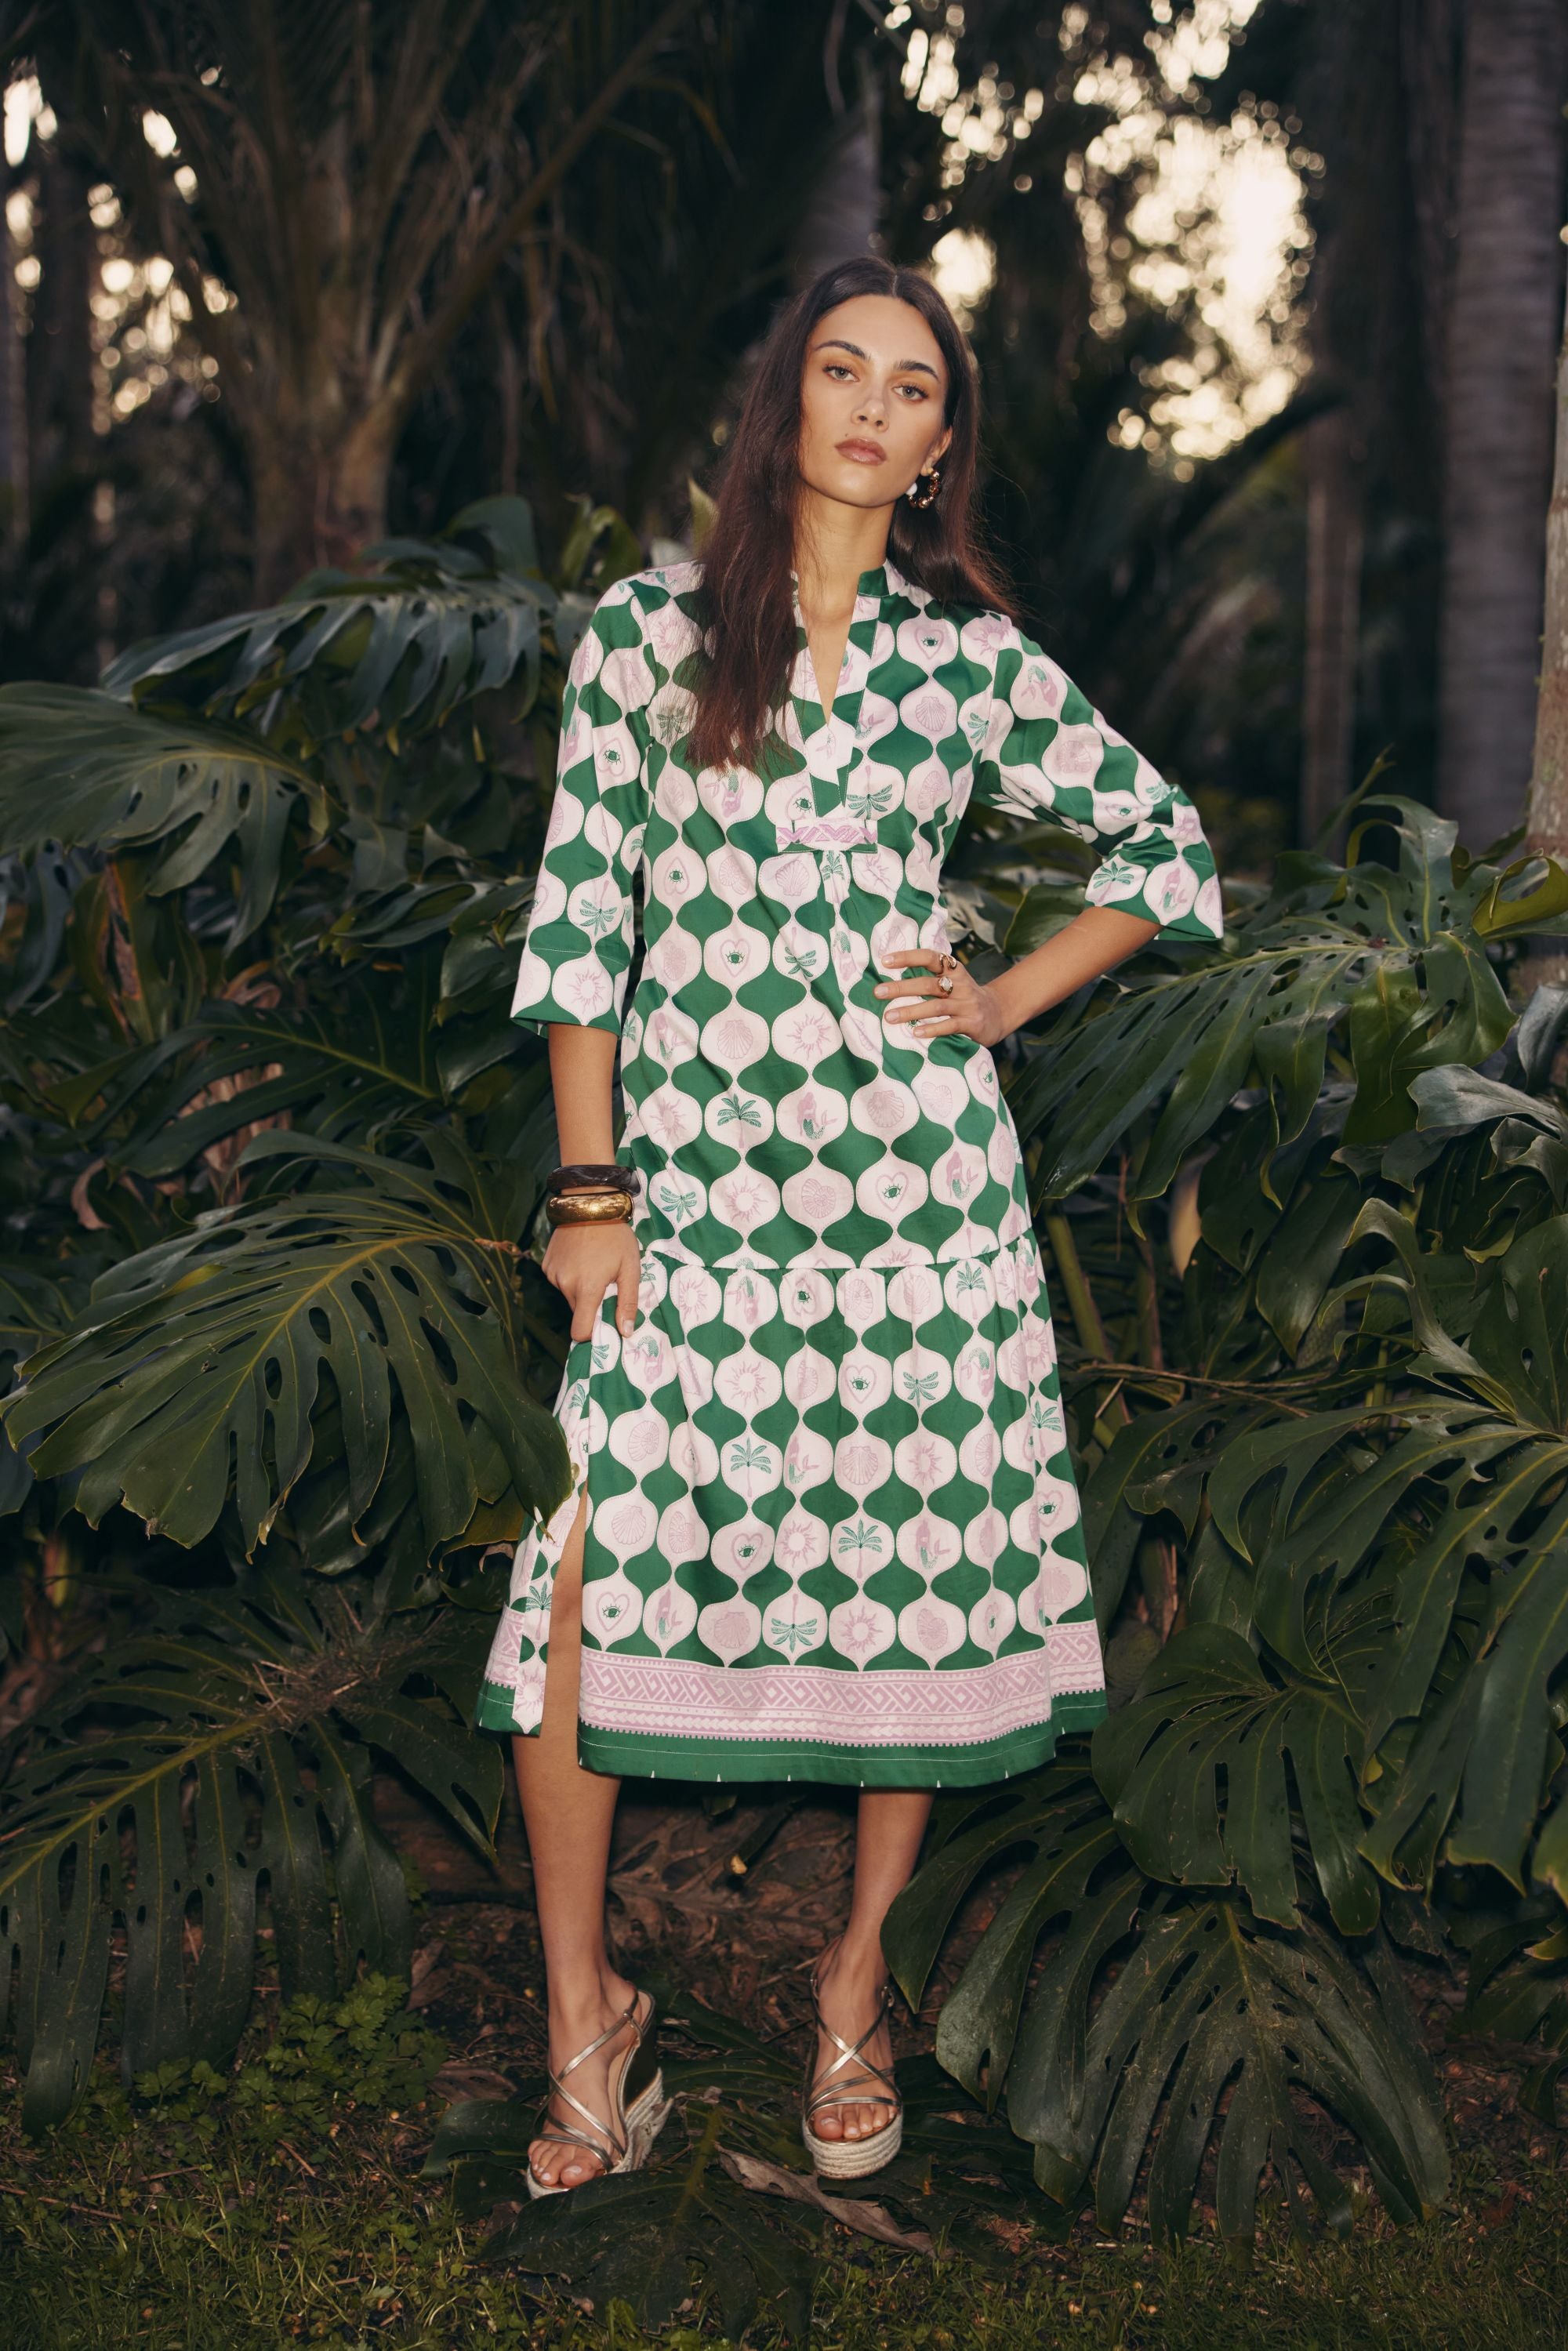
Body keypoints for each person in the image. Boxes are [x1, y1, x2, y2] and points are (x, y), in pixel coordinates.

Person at [471, 256, 1223, 2197]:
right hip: (683, 1206)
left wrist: (998, 999)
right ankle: (584, 2017)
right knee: (574, 1581)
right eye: (838, 370)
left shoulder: (964, 659)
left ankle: (854, 1986)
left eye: (910, 387)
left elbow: (1163, 846)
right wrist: (587, 1193)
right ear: (785, 405)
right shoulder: (644, 635)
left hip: (919, 1206)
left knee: (918, 1584)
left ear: (936, 447)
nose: (871, 408)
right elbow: (579, 933)